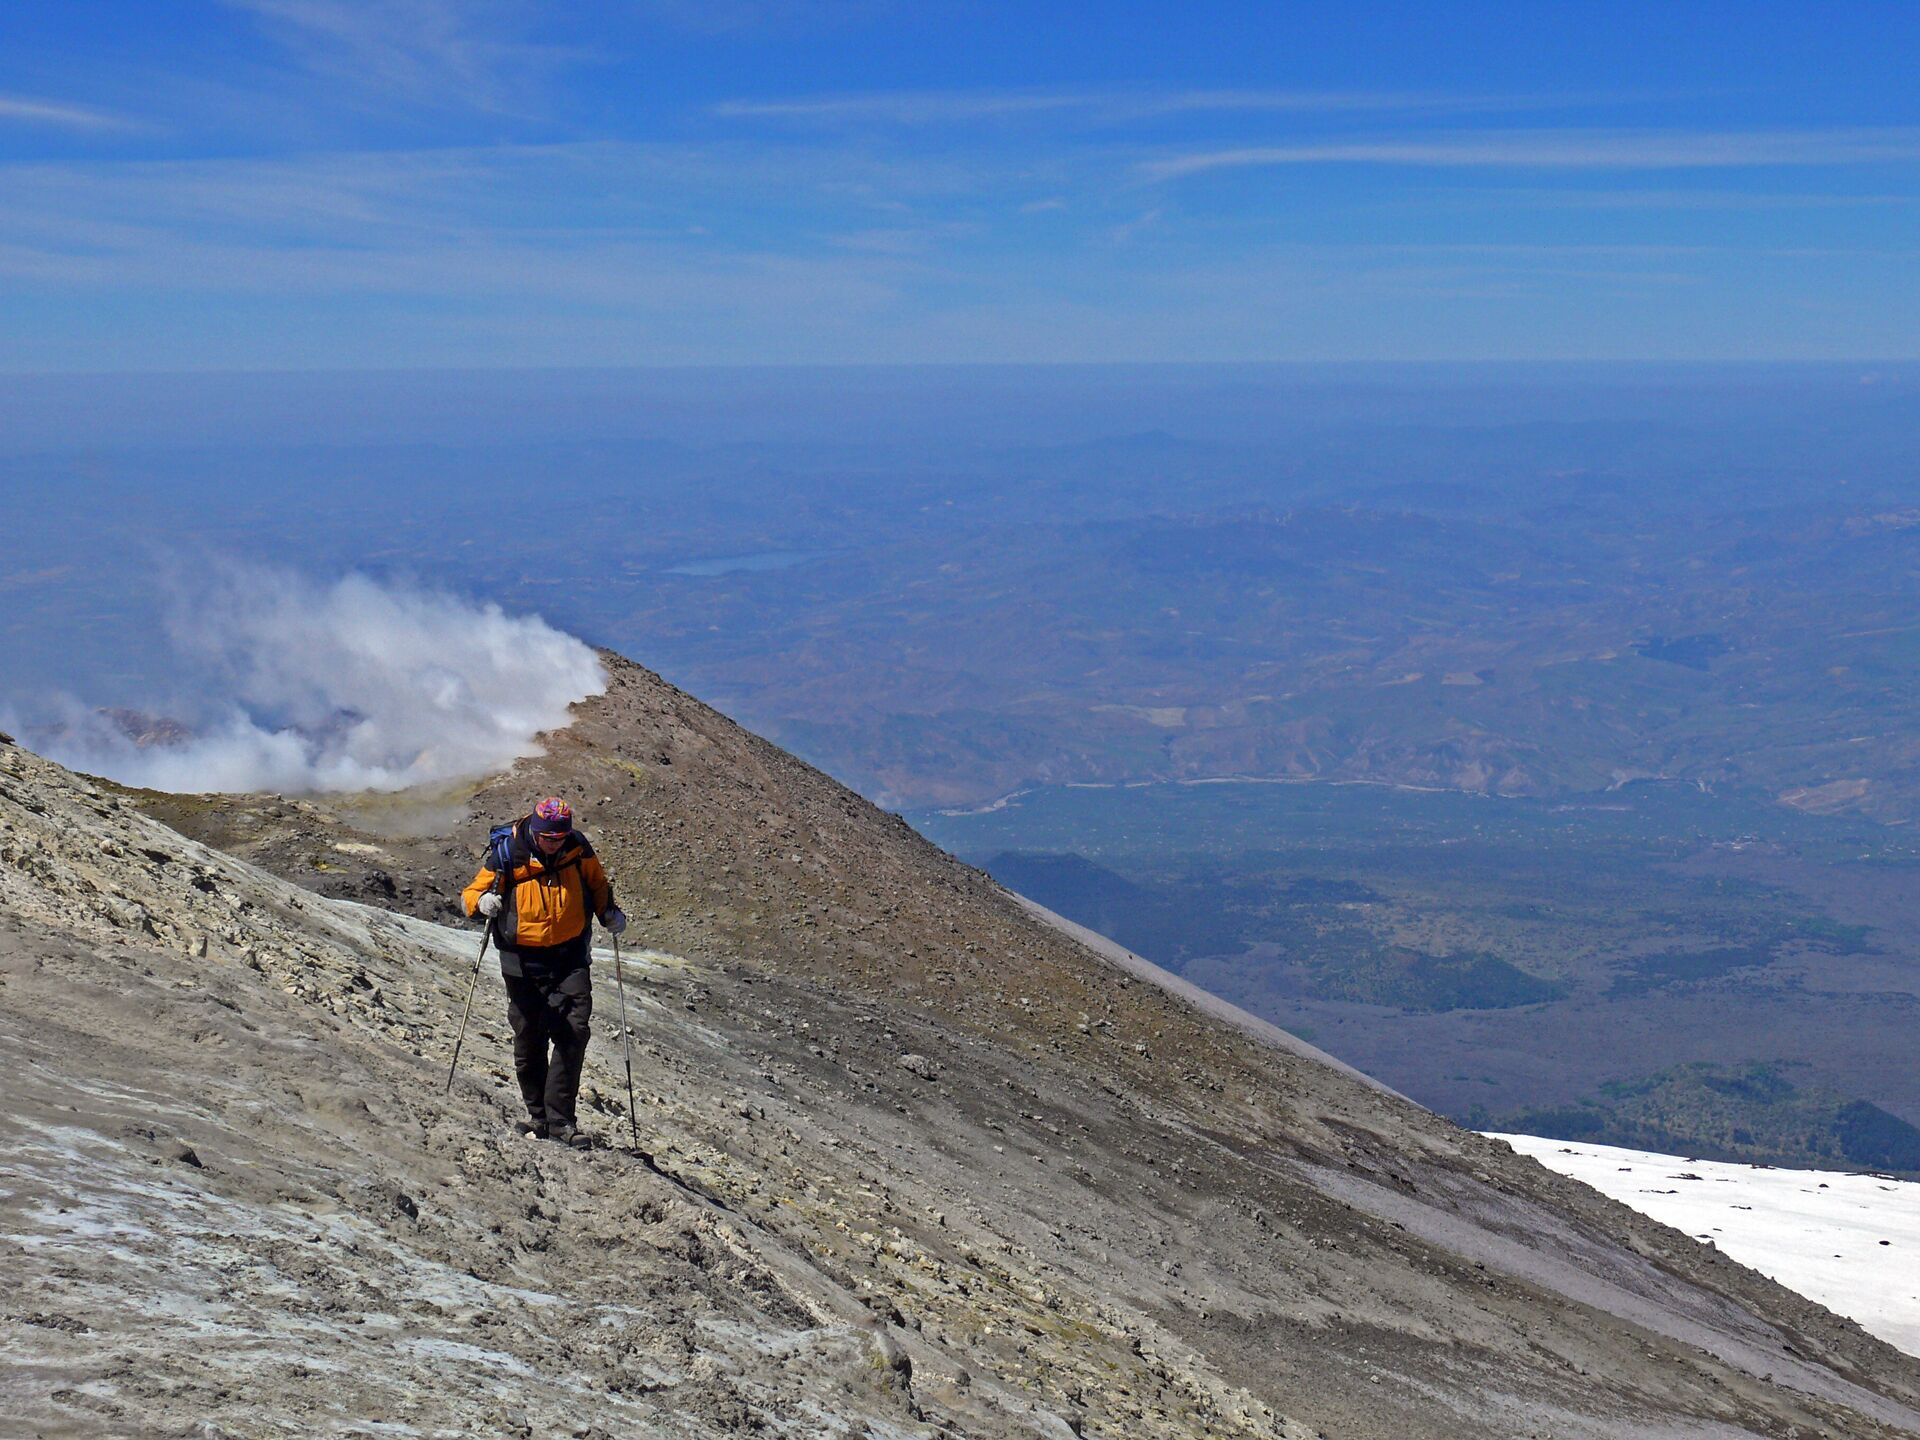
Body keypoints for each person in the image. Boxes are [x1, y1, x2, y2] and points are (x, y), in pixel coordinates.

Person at [461, 797, 626, 1147]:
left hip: (569, 958)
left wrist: (609, 913)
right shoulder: (508, 854)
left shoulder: (578, 849)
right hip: (521, 961)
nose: (554, 842)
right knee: (529, 1037)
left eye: (559, 837)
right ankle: (539, 1118)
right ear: (535, 830)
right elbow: (471, 895)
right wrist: (481, 903)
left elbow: (597, 885)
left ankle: (561, 1121)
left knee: (574, 1032)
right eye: (548, 837)